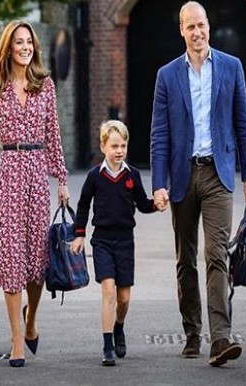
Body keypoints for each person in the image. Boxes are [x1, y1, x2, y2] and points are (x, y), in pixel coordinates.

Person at [150, 1, 246, 367]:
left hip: (218, 174)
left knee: (217, 255)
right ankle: (193, 331)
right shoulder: (167, 76)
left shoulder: (231, 67)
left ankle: (221, 338)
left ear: (208, 26)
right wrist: (159, 184)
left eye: (201, 25)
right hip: (182, 176)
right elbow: (159, 134)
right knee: (186, 261)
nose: (197, 33)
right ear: (181, 30)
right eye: (189, 27)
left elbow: (243, 124)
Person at [0, 20, 70, 368]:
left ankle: (30, 322)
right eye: (19, 43)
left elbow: (54, 135)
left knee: (37, 264)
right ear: (8, 49)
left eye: (29, 42)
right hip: (10, 172)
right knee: (12, 256)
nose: (25, 47)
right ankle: (15, 340)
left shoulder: (46, 86)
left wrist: (62, 181)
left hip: (38, 174)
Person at [71, 120, 158, 366]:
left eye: (123, 145)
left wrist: (156, 204)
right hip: (102, 241)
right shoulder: (94, 176)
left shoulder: (132, 175)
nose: (119, 151)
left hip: (125, 241)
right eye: (114, 146)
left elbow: (142, 204)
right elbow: (83, 205)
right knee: (108, 291)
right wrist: (79, 234)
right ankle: (107, 345)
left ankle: (119, 326)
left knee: (123, 298)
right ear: (103, 147)